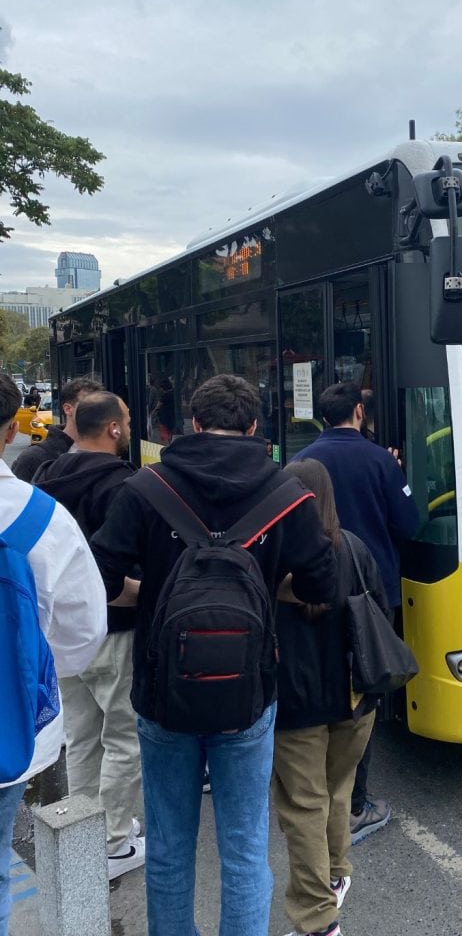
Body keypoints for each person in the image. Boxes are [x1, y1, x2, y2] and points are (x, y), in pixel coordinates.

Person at [90, 373, 337, 936]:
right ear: (255, 428)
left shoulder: (146, 488)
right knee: (246, 848)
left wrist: (151, 592)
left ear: (194, 424)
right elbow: (325, 585)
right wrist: (264, 585)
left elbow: (98, 577)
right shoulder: (286, 494)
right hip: (250, 694)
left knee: (171, 845)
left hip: (161, 694)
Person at [0, 373, 107, 936]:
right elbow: (83, 629)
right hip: (9, 727)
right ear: (8, 428)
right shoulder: (37, 518)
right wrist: (37, 679)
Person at [292, 380, 419, 844]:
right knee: (363, 690)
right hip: (371, 593)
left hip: (311, 592)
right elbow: (410, 522)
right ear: (360, 414)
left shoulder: (302, 463)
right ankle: (357, 803)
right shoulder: (379, 459)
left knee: (322, 684)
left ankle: (318, 788)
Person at [33, 391, 144, 878]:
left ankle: (86, 829)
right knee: (123, 736)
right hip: (115, 631)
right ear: (115, 429)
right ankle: (114, 840)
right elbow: (112, 570)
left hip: (61, 631)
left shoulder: (46, 475)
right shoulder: (124, 485)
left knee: (80, 735)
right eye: (127, 418)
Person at [274, 459, 385, 936]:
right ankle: (336, 874)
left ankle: (317, 918)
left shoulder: (275, 556)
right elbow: (379, 610)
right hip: (356, 696)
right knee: (337, 792)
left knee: (304, 805)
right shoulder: (356, 548)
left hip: (297, 701)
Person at [12, 376, 104, 482]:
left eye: (100, 406)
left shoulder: (106, 449)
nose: (97, 411)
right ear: (68, 409)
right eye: (89, 405)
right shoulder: (33, 458)